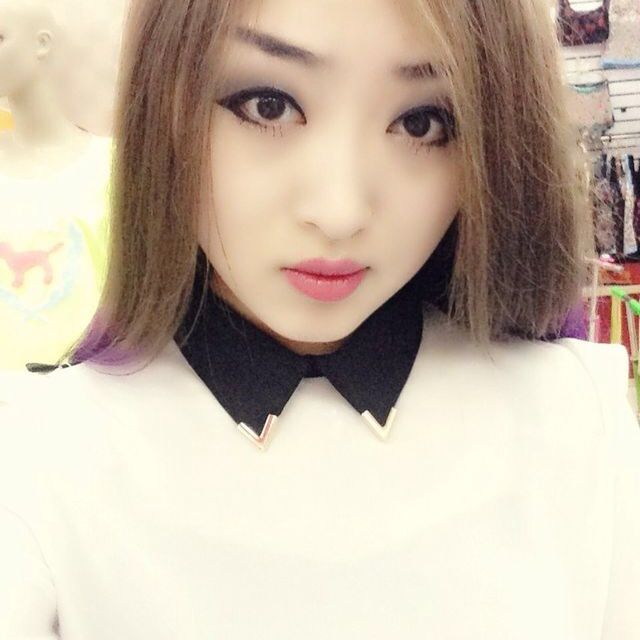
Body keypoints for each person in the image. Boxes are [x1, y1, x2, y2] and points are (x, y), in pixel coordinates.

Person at [1, 0, 638, 637]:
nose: (340, 212)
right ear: (162, 103)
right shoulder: (39, 459)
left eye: (421, 122)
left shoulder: (577, 419)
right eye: (268, 105)